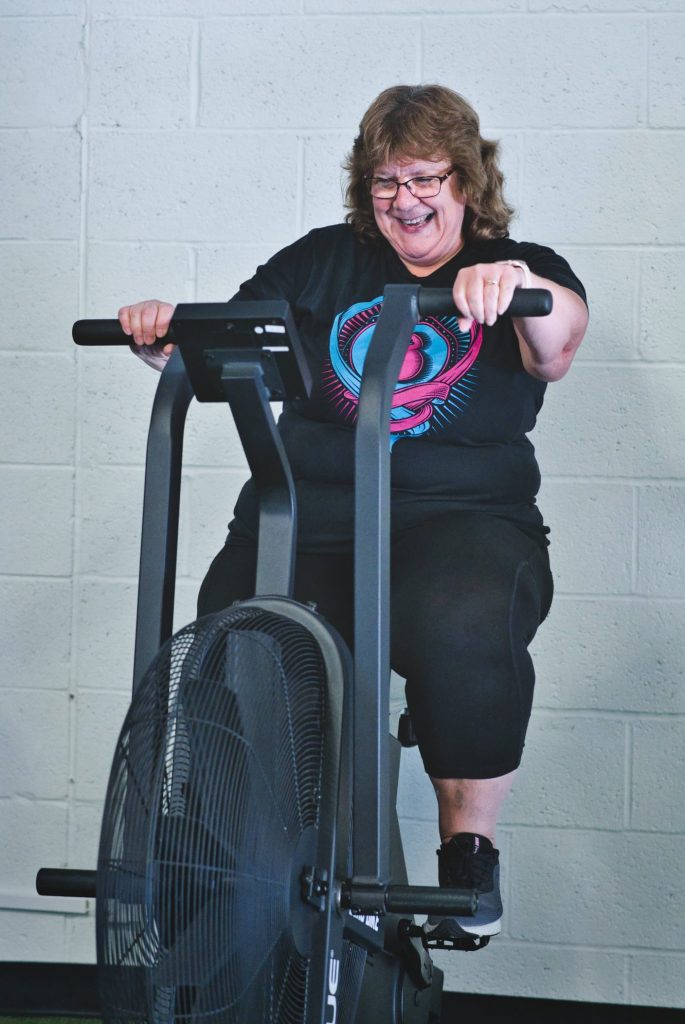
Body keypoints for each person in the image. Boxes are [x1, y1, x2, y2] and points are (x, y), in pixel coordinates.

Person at [119, 84, 589, 949]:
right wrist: (168, 336)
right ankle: (215, 858)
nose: (404, 200)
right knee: (231, 639)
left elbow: (557, 343)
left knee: (459, 626)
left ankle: (469, 856)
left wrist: (520, 285)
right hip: (311, 514)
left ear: (465, 182)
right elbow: (235, 341)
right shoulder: (320, 261)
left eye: (425, 178)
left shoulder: (514, 263)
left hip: (462, 519)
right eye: (384, 181)